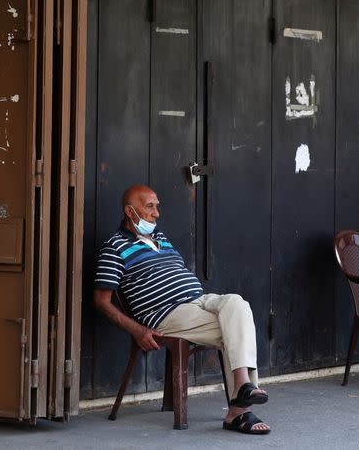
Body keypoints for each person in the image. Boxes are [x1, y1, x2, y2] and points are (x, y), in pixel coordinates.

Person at [93, 184, 270, 435]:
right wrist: (137, 330)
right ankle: (240, 410)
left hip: (199, 301)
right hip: (165, 313)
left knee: (237, 304)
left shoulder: (161, 239)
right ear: (130, 212)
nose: (157, 213)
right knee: (236, 328)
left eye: (157, 206)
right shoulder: (114, 247)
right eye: (150, 207)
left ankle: (242, 390)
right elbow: (101, 301)